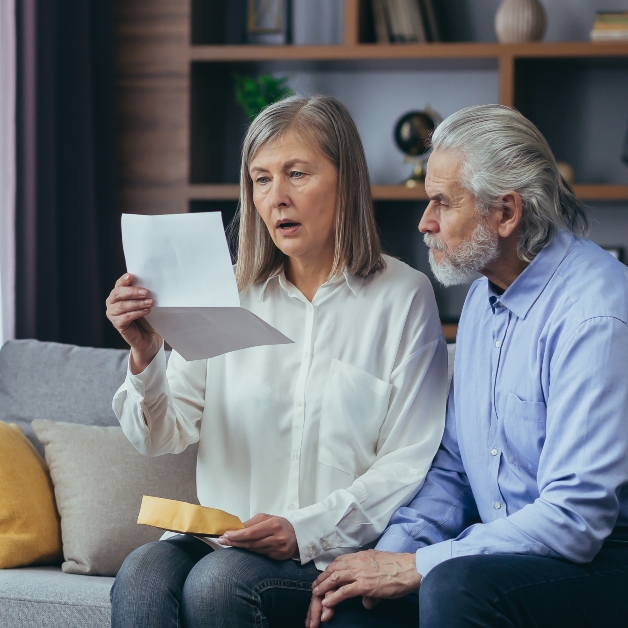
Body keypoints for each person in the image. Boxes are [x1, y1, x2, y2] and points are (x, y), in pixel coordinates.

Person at [307, 104, 628, 628]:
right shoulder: (482, 300)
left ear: (506, 213)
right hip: (521, 553)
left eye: (441, 203)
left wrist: (419, 565)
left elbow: (575, 521)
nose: (424, 223)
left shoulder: (596, 316)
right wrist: (385, 560)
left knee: (455, 588)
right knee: (353, 608)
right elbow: (452, 469)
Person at [106, 94, 450, 628]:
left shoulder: (404, 296)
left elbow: (408, 462)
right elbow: (160, 436)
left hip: (320, 555)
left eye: (296, 174)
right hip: (221, 541)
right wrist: (146, 354)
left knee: (219, 586)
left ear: (346, 181)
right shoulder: (228, 293)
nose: (277, 198)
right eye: (261, 180)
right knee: (142, 575)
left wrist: (302, 529)